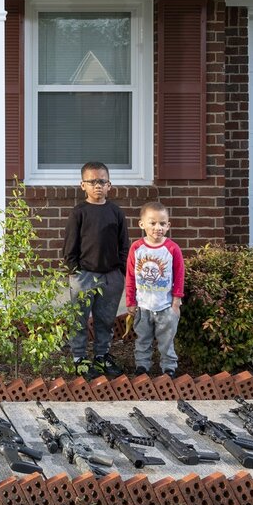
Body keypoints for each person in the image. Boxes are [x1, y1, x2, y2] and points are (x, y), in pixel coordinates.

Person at [63, 161, 128, 378]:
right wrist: (74, 270)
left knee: (106, 320)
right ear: (83, 185)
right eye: (92, 182)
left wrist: (120, 272)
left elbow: (124, 245)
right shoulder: (79, 213)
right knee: (79, 319)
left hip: (111, 277)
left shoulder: (116, 212)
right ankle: (79, 358)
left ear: (109, 185)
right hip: (84, 275)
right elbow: (70, 245)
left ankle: (101, 356)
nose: (97, 185)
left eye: (102, 181)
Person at [124, 201, 184, 378]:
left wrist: (176, 302)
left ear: (168, 225)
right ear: (141, 224)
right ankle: (142, 366)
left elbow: (179, 275)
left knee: (167, 340)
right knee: (143, 339)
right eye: (153, 223)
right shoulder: (137, 248)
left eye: (162, 223)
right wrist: (130, 301)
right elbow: (130, 276)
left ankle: (169, 367)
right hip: (143, 306)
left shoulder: (172, 248)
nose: (158, 227)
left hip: (165, 306)